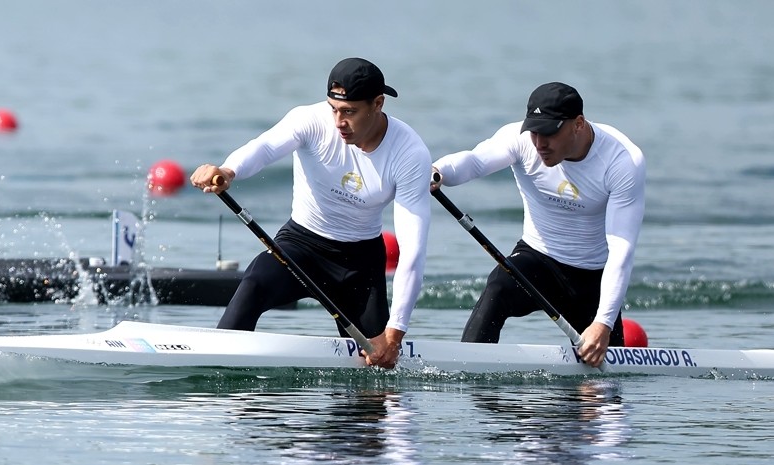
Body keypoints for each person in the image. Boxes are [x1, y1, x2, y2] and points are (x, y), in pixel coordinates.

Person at [190, 57, 432, 369]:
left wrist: (394, 335)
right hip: (299, 248)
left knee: (376, 375)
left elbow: (413, 250)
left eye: (349, 111)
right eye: (333, 108)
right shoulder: (310, 120)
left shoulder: (409, 153)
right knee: (255, 282)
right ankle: (215, 375)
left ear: (378, 104)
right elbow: (264, 147)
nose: (338, 121)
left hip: (359, 265)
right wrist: (227, 170)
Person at [431, 82, 645, 368]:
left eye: (550, 133)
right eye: (534, 132)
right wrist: (438, 171)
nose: (540, 143)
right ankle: (465, 374)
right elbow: (475, 161)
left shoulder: (622, 161)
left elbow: (621, 249)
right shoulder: (519, 139)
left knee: (601, 399)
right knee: (498, 287)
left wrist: (603, 324)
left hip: (592, 277)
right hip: (537, 259)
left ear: (578, 124)